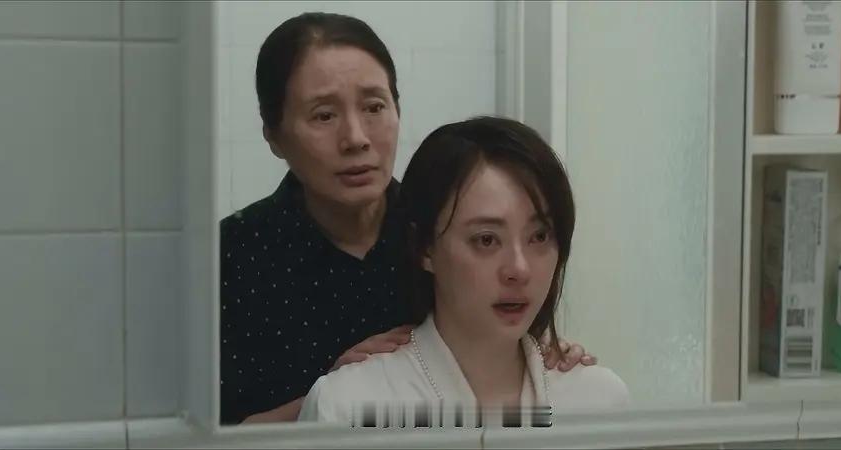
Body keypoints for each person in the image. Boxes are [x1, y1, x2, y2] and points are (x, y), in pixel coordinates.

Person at [220, 12, 596, 425]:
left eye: (374, 107)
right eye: (324, 115)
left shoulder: (444, 223)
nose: (356, 138)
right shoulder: (231, 258)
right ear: (273, 134)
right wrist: (330, 402)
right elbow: (198, 436)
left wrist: (540, 355)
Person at [298, 116, 630, 424]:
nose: (519, 269)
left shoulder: (596, 400)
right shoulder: (348, 405)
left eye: (539, 236)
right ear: (424, 248)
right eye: (486, 240)